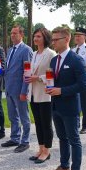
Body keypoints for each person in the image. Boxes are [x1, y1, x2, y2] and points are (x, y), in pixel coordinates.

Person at [46, 27, 86, 170]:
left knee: (74, 140)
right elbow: (53, 80)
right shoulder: (54, 60)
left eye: (56, 39)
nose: (53, 42)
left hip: (70, 107)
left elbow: (84, 85)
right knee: (62, 138)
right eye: (53, 39)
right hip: (56, 106)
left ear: (66, 39)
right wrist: (50, 87)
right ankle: (64, 167)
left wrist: (61, 90)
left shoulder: (76, 60)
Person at [1, 24, 33, 153]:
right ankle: (14, 138)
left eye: (15, 33)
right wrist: (2, 71)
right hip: (9, 88)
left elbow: (27, 72)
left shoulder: (26, 50)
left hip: (20, 89)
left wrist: (24, 91)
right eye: (11, 33)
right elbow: (10, 69)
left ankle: (25, 141)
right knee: (12, 116)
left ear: (21, 35)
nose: (12, 35)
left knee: (24, 117)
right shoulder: (10, 50)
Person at [26, 28, 56, 163]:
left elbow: (53, 73)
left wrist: (37, 78)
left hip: (45, 94)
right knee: (38, 123)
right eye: (35, 36)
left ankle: (47, 151)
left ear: (45, 38)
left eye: (38, 36)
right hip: (33, 93)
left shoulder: (51, 54)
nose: (35, 38)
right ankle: (41, 148)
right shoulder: (33, 54)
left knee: (46, 123)